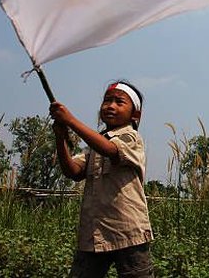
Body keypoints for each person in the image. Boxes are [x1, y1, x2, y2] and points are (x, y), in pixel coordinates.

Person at [50, 80, 154, 278]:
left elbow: (110, 150)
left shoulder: (131, 138)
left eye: (119, 102)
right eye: (107, 101)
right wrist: (60, 137)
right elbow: (72, 171)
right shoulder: (96, 143)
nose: (110, 106)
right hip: (94, 233)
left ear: (135, 115)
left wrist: (71, 120)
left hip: (128, 232)